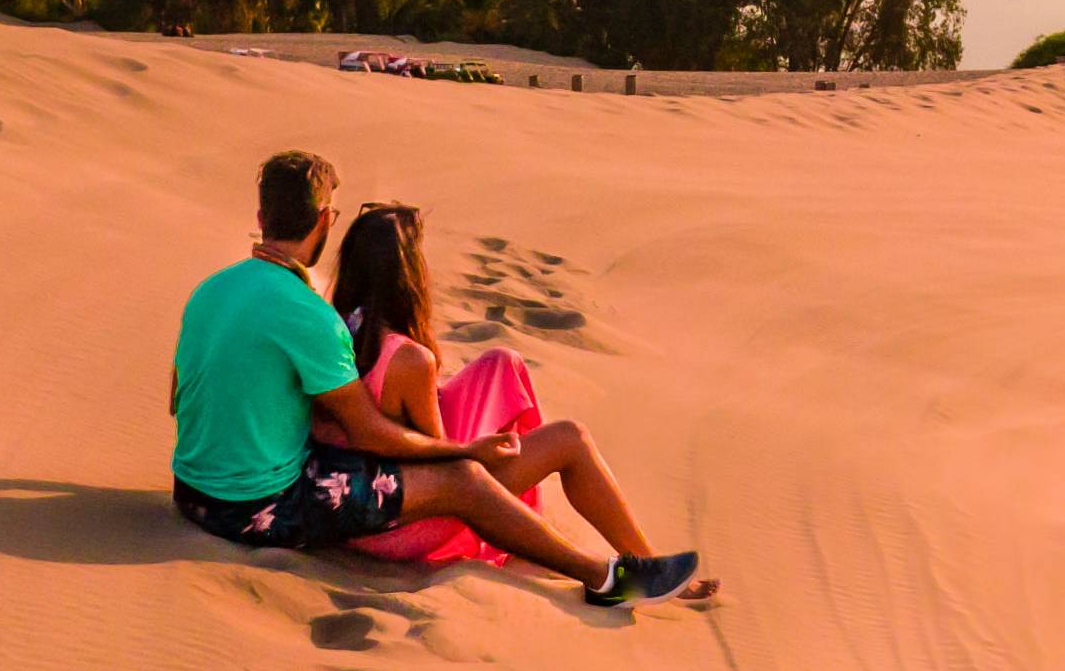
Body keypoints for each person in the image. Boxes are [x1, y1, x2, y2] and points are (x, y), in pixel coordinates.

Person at [169, 150, 703, 606]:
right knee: (464, 481)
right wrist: (467, 454)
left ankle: (608, 563)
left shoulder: (209, 291)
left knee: (461, 464)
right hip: (255, 512)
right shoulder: (308, 315)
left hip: (190, 493)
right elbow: (369, 433)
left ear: (262, 215)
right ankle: (606, 578)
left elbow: (177, 400)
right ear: (324, 221)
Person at [333, 203, 717, 598]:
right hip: (405, 522)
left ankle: (527, 522)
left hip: (362, 503)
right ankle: (639, 565)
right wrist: (478, 451)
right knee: (570, 439)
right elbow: (442, 463)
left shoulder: (341, 327)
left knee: (501, 363)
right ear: (409, 275)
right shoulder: (409, 358)